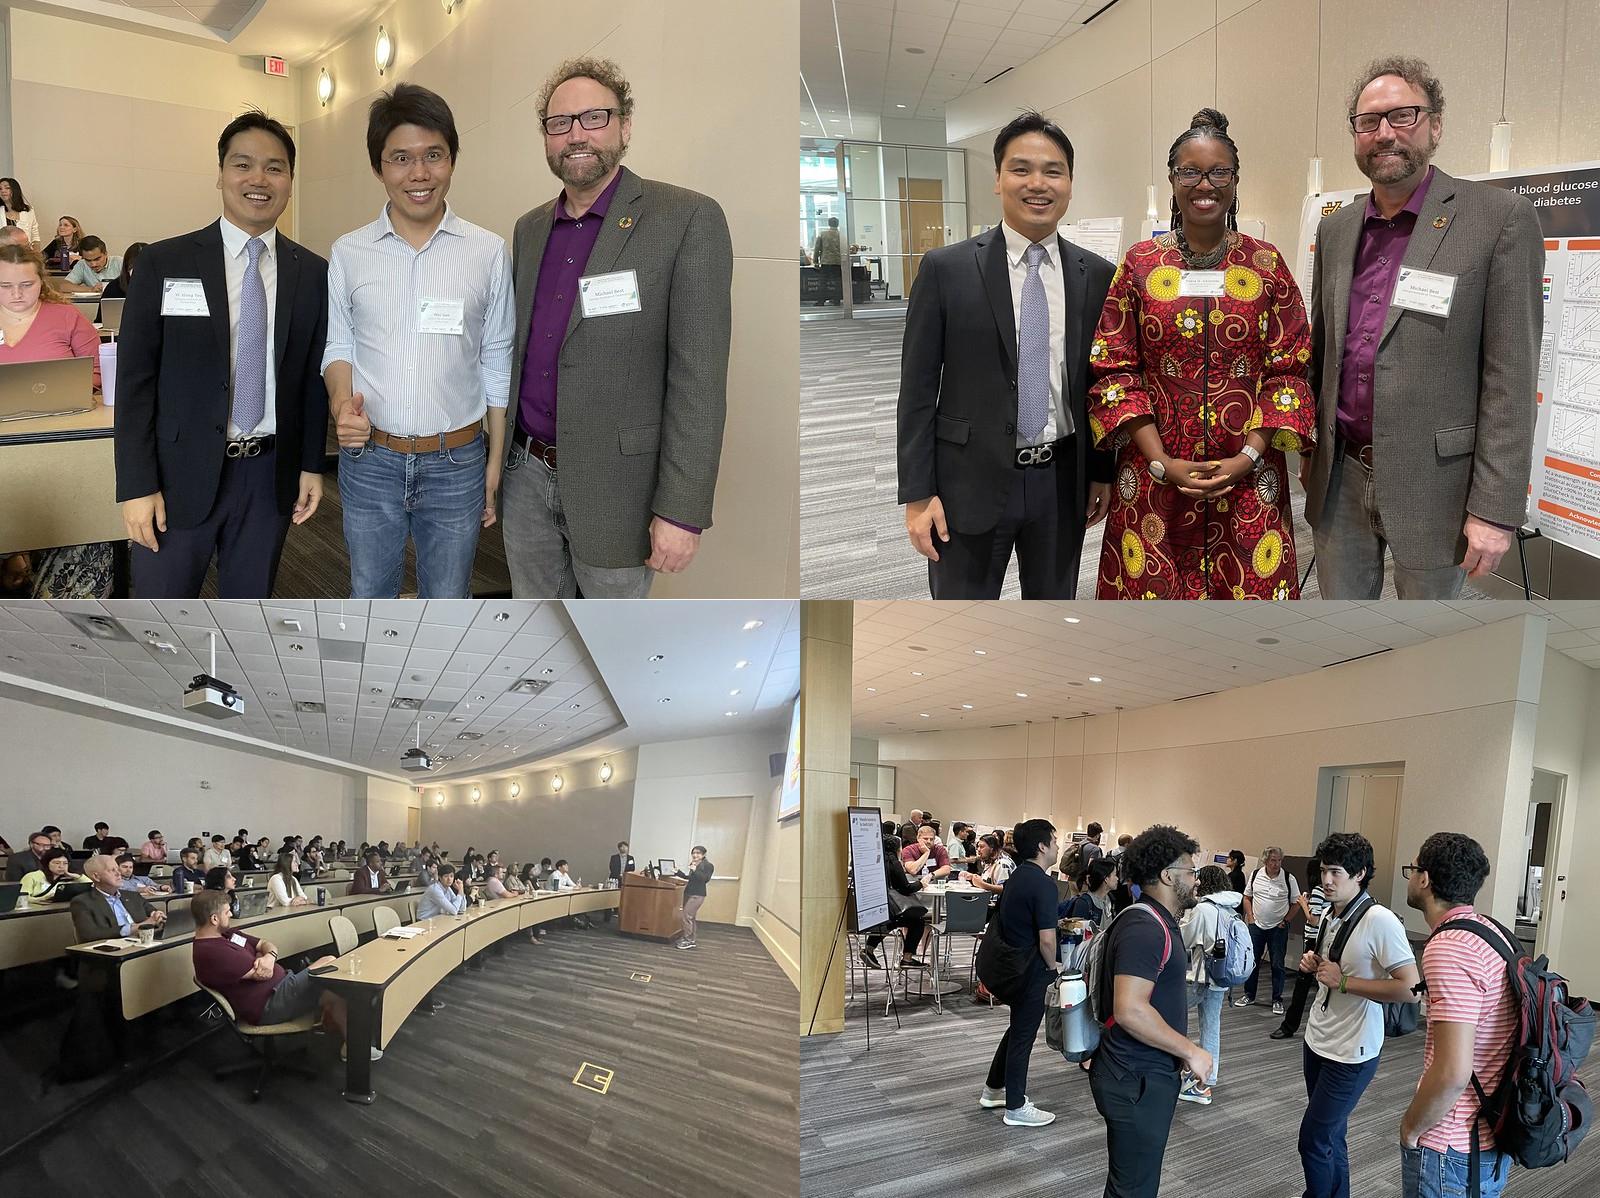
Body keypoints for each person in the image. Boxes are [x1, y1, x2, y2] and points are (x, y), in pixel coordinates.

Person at [1303, 56, 1543, 598]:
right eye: (1369, 122)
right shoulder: (1337, 228)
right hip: (1342, 475)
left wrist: (1495, 510)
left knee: (1427, 646)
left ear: (1435, 126)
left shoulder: (1497, 218)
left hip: (1440, 486)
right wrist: (1310, 456)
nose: (1385, 133)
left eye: (1403, 116)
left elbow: (1511, 377)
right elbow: (1323, 353)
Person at [500, 57, 732, 598]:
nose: (577, 134)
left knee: (605, 644)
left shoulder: (685, 219)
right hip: (526, 476)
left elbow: (699, 381)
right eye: (560, 123)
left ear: (625, 127)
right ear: (546, 139)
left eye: (594, 118)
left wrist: (682, 511)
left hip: (619, 493)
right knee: (535, 635)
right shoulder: (530, 229)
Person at [1089, 109, 1313, 599]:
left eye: (1218, 172)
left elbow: (1290, 372)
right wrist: (1158, 461)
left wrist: (1250, 457)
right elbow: (1113, 370)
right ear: (1172, 181)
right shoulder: (1140, 265)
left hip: (1248, 480)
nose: (1203, 183)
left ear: (1235, 181)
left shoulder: (1266, 263)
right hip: (1155, 479)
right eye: (1189, 171)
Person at [898, 110, 1113, 599]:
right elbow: (916, 391)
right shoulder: (945, 269)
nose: (1037, 183)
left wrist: (1101, 470)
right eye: (1021, 169)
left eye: (1053, 171)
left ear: (1070, 183)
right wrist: (916, 494)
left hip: (1061, 483)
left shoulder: (1097, 275)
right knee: (962, 621)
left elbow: (1101, 383)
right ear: (997, 179)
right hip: (966, 486)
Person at [115, 109, 327, 599]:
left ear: (291, 181)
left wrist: (311, 464)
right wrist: (136, 483)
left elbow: (312, 380)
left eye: (275, 167)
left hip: (268, 475)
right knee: (162, 619)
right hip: (175, 475)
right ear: (220, 174)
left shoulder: (313, 272)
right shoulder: (164, 262)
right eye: (243, 164)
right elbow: (135, 382)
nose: (258, 179)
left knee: (246, 618)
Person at [324, 84, 511, 598]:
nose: (419, 173)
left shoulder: (488, 252)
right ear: (379, 167)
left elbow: (496, 355)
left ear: (452, 159)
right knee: (369, 596)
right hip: (371, 460)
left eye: (434, 155)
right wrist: (342, 405)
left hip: (458, 462)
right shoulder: (350, 252)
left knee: (448, 602)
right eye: (400, 158)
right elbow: (338, 345)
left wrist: (493, 464)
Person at [1298, 832, 1421, 1198]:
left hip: (1352, 1053)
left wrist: (1345, 981)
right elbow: (1333, 970)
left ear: (1360, 874)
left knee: (1313, 1141)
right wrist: (1315, 964)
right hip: (1318, 1040)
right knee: (1332, 1135)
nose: (1326, 880)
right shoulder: (1330, 914)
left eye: (1336, 872)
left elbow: (1412, 989)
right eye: (1323, 871)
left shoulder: (1379, 919)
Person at [1089, 824, 1209, 1197]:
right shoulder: (1145, 926)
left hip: (1141, 1072)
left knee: (1132, 1182)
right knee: (1135, 1188)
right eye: (1190, 871)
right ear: (1167, 875)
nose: (1196, 879)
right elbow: (1130, 1010)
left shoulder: (1152, 919)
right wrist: (1191, 1050)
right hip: (1135, 1077)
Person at [1400, 832, 1516, 1198]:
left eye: (1413, 868)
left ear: (1425, 878)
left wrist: (1411, 1129)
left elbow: (1452, 1071)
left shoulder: (1449, 948)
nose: (1411, 877)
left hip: (1451, 1146)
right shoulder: (1493, 932)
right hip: (1492, 1132)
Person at [190, 889, 379, 1061]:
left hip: (282, 987)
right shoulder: (211, 952)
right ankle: (342, 1029)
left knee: (334, 990)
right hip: (270, 1004)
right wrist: (262, 956)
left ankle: (352, 1046)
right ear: (214, 919)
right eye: (226, 912)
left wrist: (268, 956)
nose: (231, 914)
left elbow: (266, 944)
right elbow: (264, 973)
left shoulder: (226, 934)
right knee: (329, 962)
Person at [977, 818, 1061, 1127]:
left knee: (1017, 1030)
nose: (1057, 846)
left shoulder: (1016, 878)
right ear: (1042, 846)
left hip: (1010, 966)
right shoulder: (1043, 884)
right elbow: (1047, 939)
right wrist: (1053, 970)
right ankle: (1016, 1106)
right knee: (1023, 1036)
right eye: (1054, 841)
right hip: (1031, 971)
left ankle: (992, 1089)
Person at [1179, 863, 1240, 1105]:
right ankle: (1205, 1081)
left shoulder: (1204, 909)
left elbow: (1185, 939)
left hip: (1199, 977)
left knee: (1171, 1018)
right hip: (1220, 979)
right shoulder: (1230, 908)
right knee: (1211, 1027)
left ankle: (1182, 1067)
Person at [0, 241, 102, 386]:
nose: (16, 294)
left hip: (60, 406)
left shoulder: (67, 316)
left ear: (41, 282)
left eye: (27, 285)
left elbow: (98, 370)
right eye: (5, 285)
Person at [1237, 844, 1300, 1013]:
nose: (1276, 864)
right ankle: (1249, 995)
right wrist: (1250, 916)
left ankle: (1277, 999)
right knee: (1252, 962)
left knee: (1278, 964)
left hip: (1278, 928)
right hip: (1256, 926)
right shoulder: (1256, 875)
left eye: (1279, 860)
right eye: (1273, 860)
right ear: (1265, 860)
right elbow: (1247, 897)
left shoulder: (1288, 878)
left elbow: (1296, 903)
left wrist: (1286, 920)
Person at [1273, 857, 1330, 1039]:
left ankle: (1289, 1025)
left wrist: (1303, 904)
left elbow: (1314, 920)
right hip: (1322, 940)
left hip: (1314, 941)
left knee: (1302, 983)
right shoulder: (1327, 892)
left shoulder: (1319, 891)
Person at [860, 833, 930, 970]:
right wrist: (921, 883)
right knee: (917, 921)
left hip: (873, 908)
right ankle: (907, 958)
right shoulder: (893, 862)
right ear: (897, 848)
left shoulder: (873, 860)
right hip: (890, 908)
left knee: (889, 922)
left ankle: (869, 949)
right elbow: (906, 888)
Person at [70, 855, 167, 943]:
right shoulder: (82, 902)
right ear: (96, 876)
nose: (118, 873)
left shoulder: (133, 896)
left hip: (142, 944)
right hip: (112, 952)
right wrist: (136, 927)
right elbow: (90, 934)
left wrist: (157, 916)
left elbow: (152, 911)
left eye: (117, 869)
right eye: (112, 870)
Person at [1059, 855, 1118, 950]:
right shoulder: (1084, 903)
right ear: (1106, 879)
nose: (1117, 878)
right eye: (1115, 874)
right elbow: (1076, 938)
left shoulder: (1110, 901)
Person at [672, 845, 714, 950]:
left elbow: (705, 879)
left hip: (698, 894)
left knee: (687, 916)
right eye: (693, 853)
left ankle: (688, 940)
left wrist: (695, 870)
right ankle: (691, 939)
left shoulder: (708, 865)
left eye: (698, 853)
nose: (695, 855)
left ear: (703, 854)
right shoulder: (694, 864)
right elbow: (689, 878)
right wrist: (678, 872)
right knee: (691, 917)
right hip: (688, 892)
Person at [19, 847, 86, 900]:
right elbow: (21, 898)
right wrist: (39, 899)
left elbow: (91, 887)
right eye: (57, 863)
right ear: (47, 863)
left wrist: (77, 876)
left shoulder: (71, 878)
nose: (61, 866)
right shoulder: (32, 876)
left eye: (65, 863)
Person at [810, 216, 843, 305]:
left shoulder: (823, 234)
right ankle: (837, 300)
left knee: (823, 282)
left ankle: (821, 301)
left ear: (829, 224)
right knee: (837, 282)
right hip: (837, 261)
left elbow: (817, 248)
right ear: (837, 224)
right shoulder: (842, 235)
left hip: (826, 261)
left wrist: (815, 261)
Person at [1, 178, 39, 247]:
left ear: (15, 190)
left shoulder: (28, 210)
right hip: (4, 254)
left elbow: (35, 234)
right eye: (0, 189)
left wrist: (36, 252)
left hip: (26, 253)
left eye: (7, 188)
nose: (3, 191)